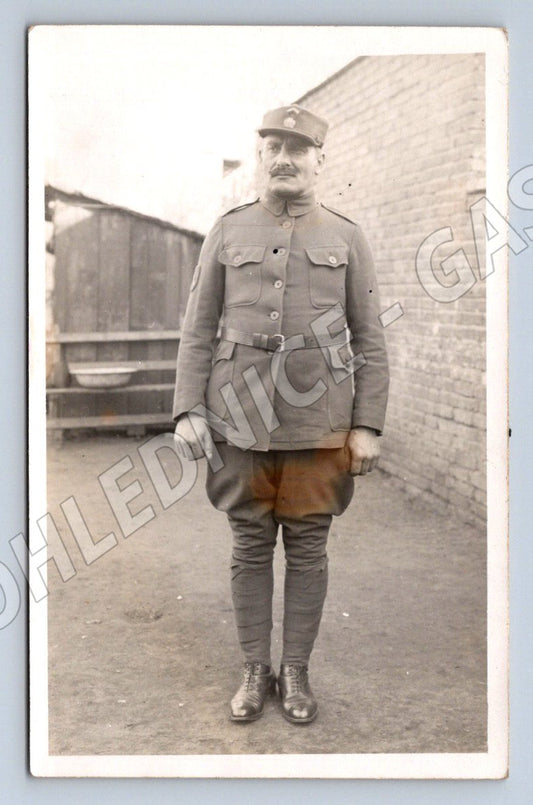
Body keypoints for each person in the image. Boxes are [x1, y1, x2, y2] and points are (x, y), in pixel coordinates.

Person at [173, 104, 389, 724]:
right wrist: (188, 407)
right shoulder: (227, 230)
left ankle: (294, 670)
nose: (286, 159)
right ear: (260, 157)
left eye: (299, 149)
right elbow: (196, 329)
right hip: (236, 418)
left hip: (319, 422)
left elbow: (370, 338)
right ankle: (252, 668)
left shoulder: (346, 236)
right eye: (274, 147)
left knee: (309, 546)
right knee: (247, 544)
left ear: (321, 160)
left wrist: (367, 423)